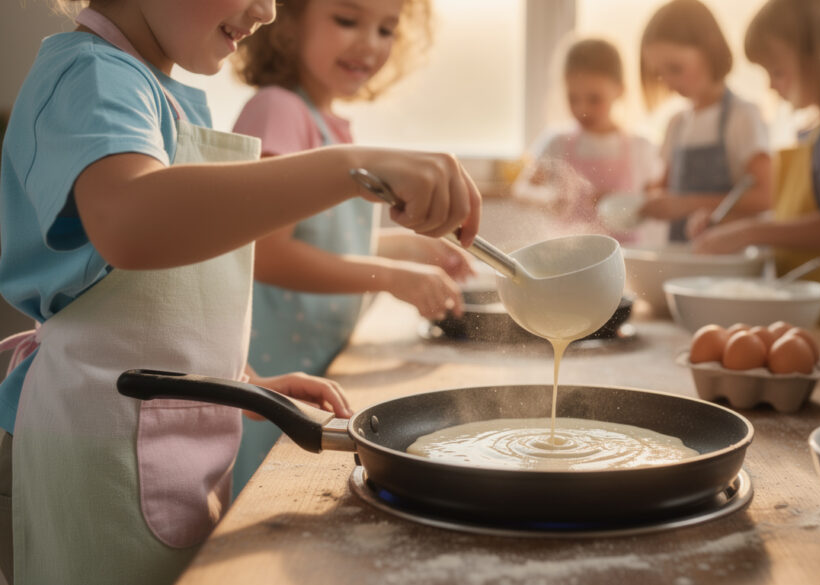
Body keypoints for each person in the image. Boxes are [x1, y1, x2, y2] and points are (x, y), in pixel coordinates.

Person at [0, 0, 481, 583]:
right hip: (102, 452)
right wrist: (351, 166)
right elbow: (133, 224)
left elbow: (156, 304)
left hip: (155, 438)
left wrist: (244, 383)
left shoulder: (153, 89)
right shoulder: (92, 74)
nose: (267, 10)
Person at [229, 0, 472, 495]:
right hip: (273, 380)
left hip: (317, 365)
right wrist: (390, 277)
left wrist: (408, 250)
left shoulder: (327, 122)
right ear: (287, 21)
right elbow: (267, 254)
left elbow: (323, 238)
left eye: (387, 29)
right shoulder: (278, 109)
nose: (370, 44)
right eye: (347, 20)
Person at [690, 0, 820, 283]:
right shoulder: (819, 128)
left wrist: (748, 233)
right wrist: (732, 226)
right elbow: (794, 219)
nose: (770, 85)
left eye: (777, 71)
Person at [637, 0, 772, 242]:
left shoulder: (742, 117)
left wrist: (685, 205)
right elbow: (665, 188)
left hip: (728, 263)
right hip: (683, 256)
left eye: (675, 69)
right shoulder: (676, 124)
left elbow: (765, 196)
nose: (667, 82)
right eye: (659, 73)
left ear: (710, 50)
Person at [512, 37, 663, 243]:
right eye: (573, 98)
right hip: (567, 257)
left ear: (619, 90)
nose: (582, 110)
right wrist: (548, 199)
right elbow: (521, 189)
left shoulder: (641, 148)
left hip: (626, 259)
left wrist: (623, 203)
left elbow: (659, 201)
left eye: (594, 99)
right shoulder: (556, 143)